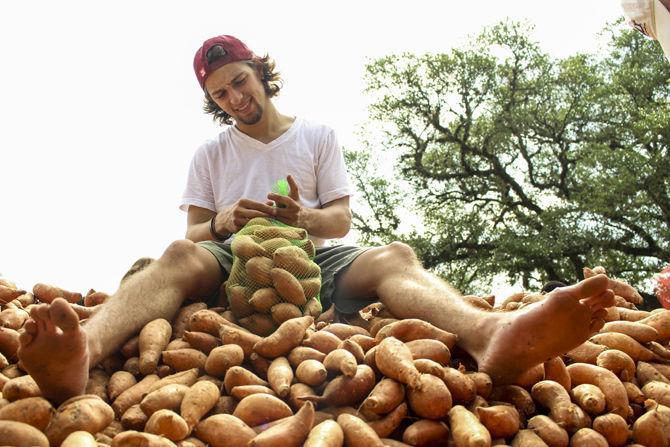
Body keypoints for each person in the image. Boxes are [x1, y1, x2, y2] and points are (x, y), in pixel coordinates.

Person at [17, 34, 629, 405]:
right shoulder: (210, 155)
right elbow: (192, 236)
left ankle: (488, 334)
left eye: (239, 82)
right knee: (175, 259)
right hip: (233, 254)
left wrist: (303, 217)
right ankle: (85, 348)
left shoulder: (315, 135)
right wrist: (226, 219)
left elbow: (339, 222)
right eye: (221, 96)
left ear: (259, 71)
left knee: (395, 256)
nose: (235, 99)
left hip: (310, 257)